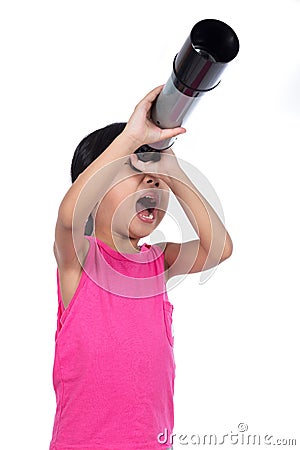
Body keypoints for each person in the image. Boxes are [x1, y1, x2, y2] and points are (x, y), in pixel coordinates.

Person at [49, 85, 233, 450]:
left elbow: (219, 248)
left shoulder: (157, 263)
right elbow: (70, 216)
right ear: (95, 188)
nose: (151, 181)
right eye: (132, 172)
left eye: (155, 178)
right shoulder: (80, 259)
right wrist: (131, 137)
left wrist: (174, 170)